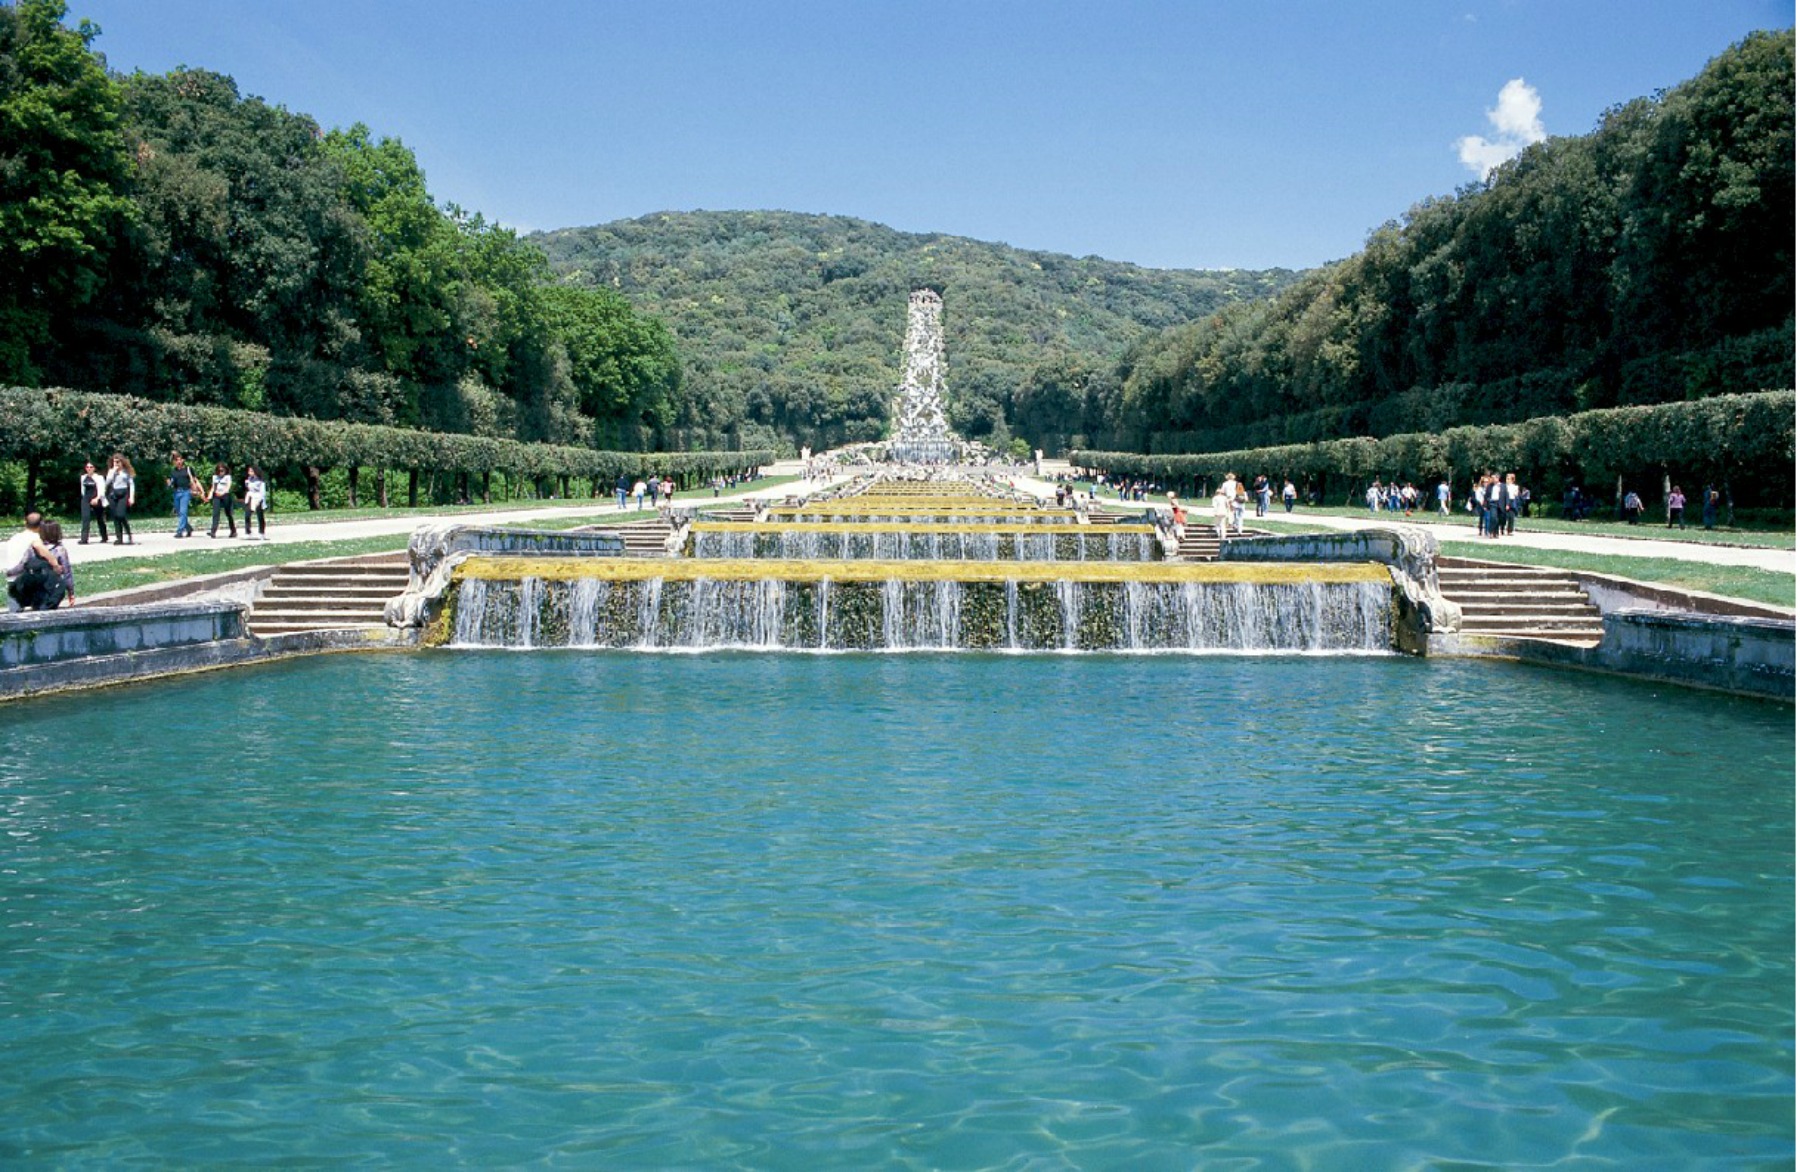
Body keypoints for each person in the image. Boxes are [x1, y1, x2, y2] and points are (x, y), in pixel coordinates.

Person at [4, 513, 62, 611]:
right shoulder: (34, 537)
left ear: (25, 523)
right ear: (41, 524)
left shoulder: (15, 537)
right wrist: (56, 564)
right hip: (25, 578)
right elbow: (42, 550)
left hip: (11, 577)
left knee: (15, 611)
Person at [40, 520, 73, 607]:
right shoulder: (60, 550)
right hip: (53, 588)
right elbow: (67, 573)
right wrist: (71, 592)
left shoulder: (35, 548)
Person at [104, 454, 135, 545]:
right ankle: (119, 538)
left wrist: (131, 497)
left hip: (123, 494)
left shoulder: (126, 472)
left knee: (121, 515)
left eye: (118, 461)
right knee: (115, 517)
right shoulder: (111, 471)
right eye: (115, 461)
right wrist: (113, 471)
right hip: (113, 494)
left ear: (122, 462)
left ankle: (128, 533)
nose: (117, 463)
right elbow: (107, 482)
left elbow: (131, 484)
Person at [167, 453, 198, 538]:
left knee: (183, 511)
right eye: (176, 460)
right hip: (176, 492)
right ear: (174, 462)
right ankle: (189, 528)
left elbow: (194, 480)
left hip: (186, 492)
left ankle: (180, 531)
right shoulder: (173, 471)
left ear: (183, 460)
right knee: (179, 513)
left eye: (180, 460)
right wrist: (169, 483)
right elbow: (170, 481)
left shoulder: (188, 469)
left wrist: (196, 489)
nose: (178, 462)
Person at [78, 459, 109, 544]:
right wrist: (85, 498)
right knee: (86, 517)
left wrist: (97, 498)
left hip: (96, 498)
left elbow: (102, 490)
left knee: (100, 518)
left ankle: (104, 536)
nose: (89, 469)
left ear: (94, 468)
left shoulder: (99, 477)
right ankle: (84, 539)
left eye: (91, 467)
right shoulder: (83, 477)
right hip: (86, 498)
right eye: (87, 467)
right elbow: (83, 490)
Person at [206, 462, 238, 538]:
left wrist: (223, 493)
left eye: (222, 470)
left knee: (228, 513)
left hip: (225, 495)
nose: (221, 472)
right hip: (216, 495)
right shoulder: (215, 477)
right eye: (219, 471)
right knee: (215, 513)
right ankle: (213, 531)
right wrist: (209, 496)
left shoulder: (227, 477)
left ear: (225, 470)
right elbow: (213, 487)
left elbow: (228, 487)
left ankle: (233, 531)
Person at [242, 466, 268, 539]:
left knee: (260, 516)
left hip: (258, 497)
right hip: (250, 497)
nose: (249, 473)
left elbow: (262, 492)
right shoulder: (249, 479)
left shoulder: (260, 481)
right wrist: (246, 484)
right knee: (247, 515)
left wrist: (260, 501)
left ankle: (261, 533)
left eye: (251, 471)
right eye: (249, 471)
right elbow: (249, 488)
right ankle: (248, 532)